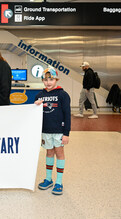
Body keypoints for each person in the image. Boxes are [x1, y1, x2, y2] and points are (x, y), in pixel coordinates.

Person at [34, 66, 71, 195]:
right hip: (46, 131)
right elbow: (35, 114)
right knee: (49, 153)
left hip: (59, 131)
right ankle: (48, 179)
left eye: (51, 79)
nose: (48, 82)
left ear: (56, 79)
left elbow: (67, 115)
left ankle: (59, 182)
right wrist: (36, 105)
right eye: (45, 79)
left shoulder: (63, 95)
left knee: (59, 153)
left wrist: (66, 133)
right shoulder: (40, 95)